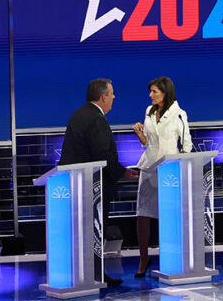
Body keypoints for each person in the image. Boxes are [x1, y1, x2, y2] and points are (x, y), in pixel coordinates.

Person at [58, 78, 137, 287]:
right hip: (92, 188)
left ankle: (90, 274)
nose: (114, 97)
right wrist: (122, 173)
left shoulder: (79, 114)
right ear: (103, 97)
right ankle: (93, 275)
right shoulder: (96, 119)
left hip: (78, 185)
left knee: (84, 232)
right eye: (111, 94)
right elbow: (102, 155)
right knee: (93, 230)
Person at [132, 76, 192, 278]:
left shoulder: (179, 114)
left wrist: (181, 165)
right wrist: (139, 134)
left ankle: (172, 257)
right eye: (150, 91)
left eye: (154, 92)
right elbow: (147, 143)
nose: (150, 95)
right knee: (143, 214)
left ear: (165, 93)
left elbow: (186, 144)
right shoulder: (149, 112)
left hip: (169, 171)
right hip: (149, 167)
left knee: (170, 215)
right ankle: (143, 258)